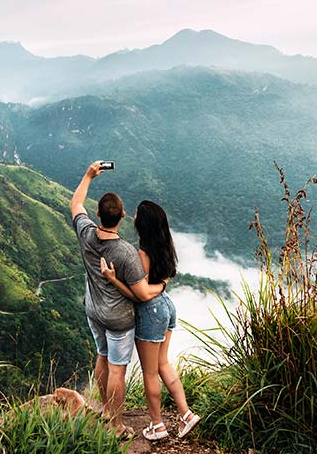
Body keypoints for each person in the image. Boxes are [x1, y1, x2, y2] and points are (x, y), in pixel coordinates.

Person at [70, 162, 164, 438]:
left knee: (102, 356)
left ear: (97, 214)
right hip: (119, 319)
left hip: (93, 311)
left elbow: (76, 203)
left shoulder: (86, 233)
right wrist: (162, 284)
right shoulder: (126, 253)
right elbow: (144, 293)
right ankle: (116, 425)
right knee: (117, 371)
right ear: (122, 216)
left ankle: (106, 411)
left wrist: (88, 175)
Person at [100, 200, 201, 441]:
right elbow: (161, 282)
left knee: (149, 373)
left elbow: (140, 294)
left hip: (150, 313)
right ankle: (186, 414)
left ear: (142, 223)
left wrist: (113, 279)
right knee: (163, 364)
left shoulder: (142, 254)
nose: (132, 216)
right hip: (166, 306)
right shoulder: (165, 246)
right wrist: (163, 285)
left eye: (136, 214)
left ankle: (157, 425)